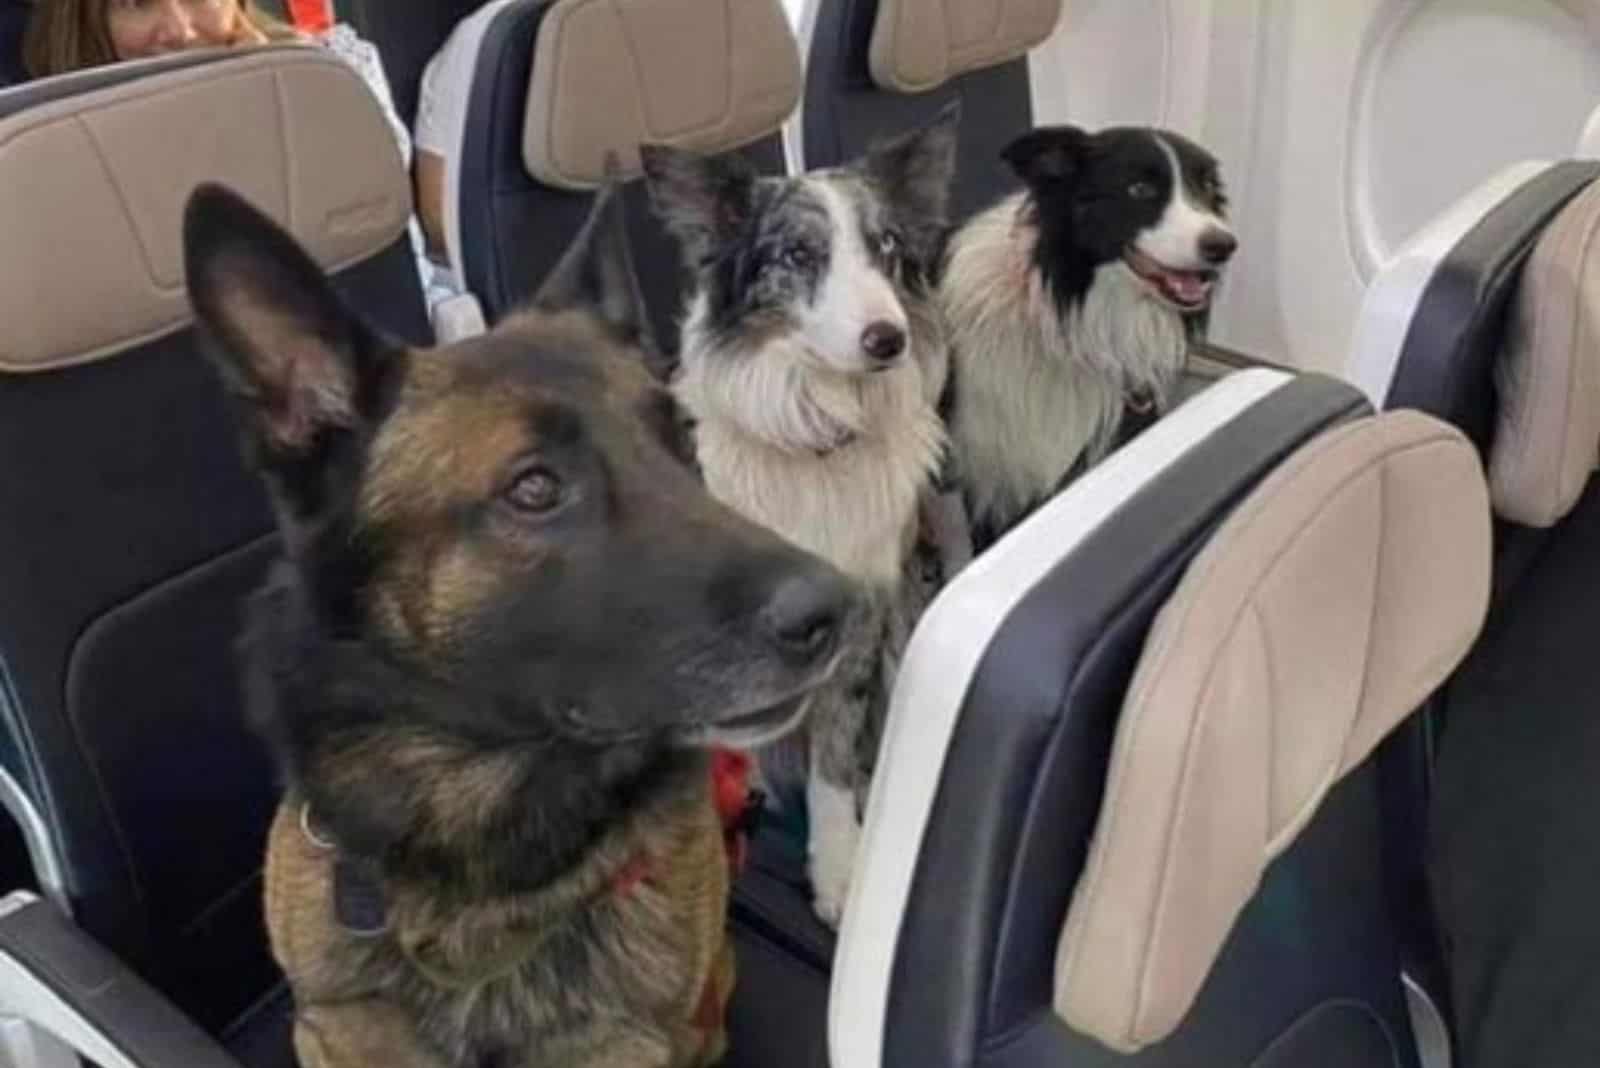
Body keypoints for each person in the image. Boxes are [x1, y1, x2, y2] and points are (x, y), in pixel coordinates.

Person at [23, 0, 459, 314]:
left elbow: (387, 240)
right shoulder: (53, 143)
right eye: (138, 4)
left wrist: (281, 87)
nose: (180, 28)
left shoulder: (330, 72)